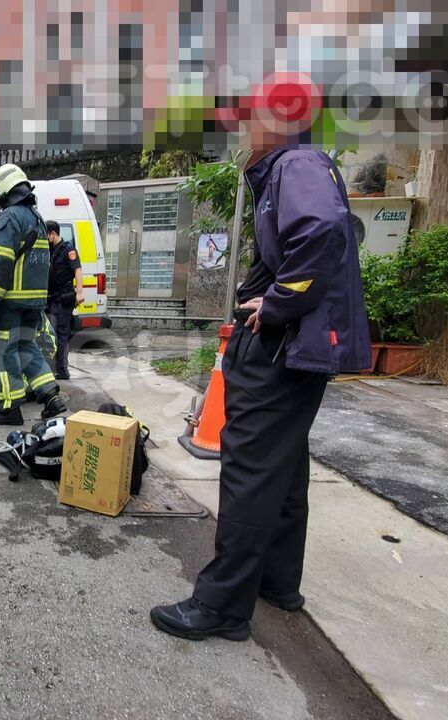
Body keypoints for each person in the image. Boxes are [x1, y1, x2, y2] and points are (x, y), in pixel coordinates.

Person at [149, 108, 371, 641]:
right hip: (292, 350)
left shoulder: (295, 163)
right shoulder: (289, 168)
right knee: (283, 468)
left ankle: (222, 606)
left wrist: (272, 307)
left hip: (282, 348)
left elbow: (320, 233)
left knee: (250, 468)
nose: (239, 136)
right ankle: (276, 580)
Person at [0, 163, 68, 425]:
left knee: (3, 351)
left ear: (3, 189)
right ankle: (51, 396)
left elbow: (1, 263)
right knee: (27, 346)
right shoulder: (37, 218)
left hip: (10, 302)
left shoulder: (8, 217)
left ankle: (9, 409)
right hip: (33, 302)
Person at [45, 220, 83, 380]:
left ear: (52, 233)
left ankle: (62, 370)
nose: (45, 239)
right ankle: (51, 369)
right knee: (49, 334)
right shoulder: (49, 250)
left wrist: (80, 292)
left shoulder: (68, 250)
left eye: (46, 235)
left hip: (64, 298)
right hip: (50, 298)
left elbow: (78, 270)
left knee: (61, 334)